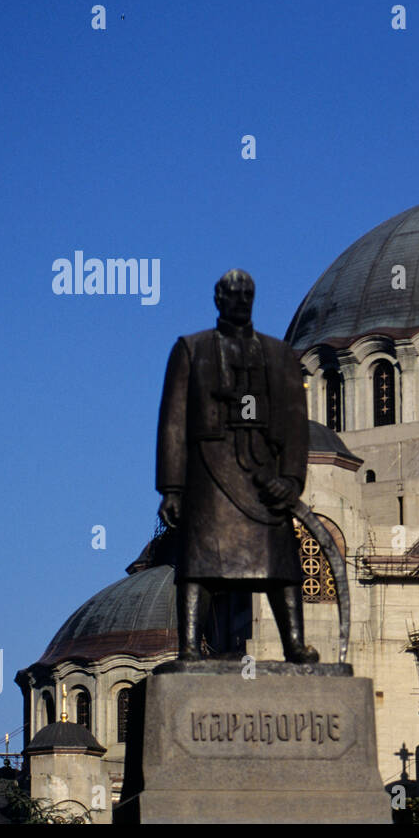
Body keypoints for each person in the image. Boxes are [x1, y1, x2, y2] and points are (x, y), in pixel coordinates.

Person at [155, 268, 318, 663]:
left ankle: (294, 643)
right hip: (210, 471)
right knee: (200, 561)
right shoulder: (191, 350)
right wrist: (172, 489)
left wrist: (292, 478)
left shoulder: (278, 353)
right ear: (218, 299)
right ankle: (190, 646)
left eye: (247, 294)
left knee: (280, 559)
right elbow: (173, 423)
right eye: (233, 293)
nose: (240, 300)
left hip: (264, 472)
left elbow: (297, 424)